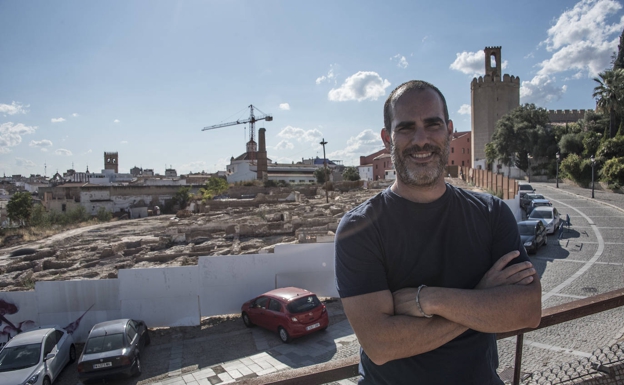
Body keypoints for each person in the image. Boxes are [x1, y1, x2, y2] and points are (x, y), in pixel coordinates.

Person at [334, 80, 542, 384]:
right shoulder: (359, 228)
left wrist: (429, 299)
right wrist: (481, 300)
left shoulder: (491, 214)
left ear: (449, 131)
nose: (421, 140)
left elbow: (526, 311)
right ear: (387, 139)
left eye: (432, 125)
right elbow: (380, 345)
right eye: (406, 128)